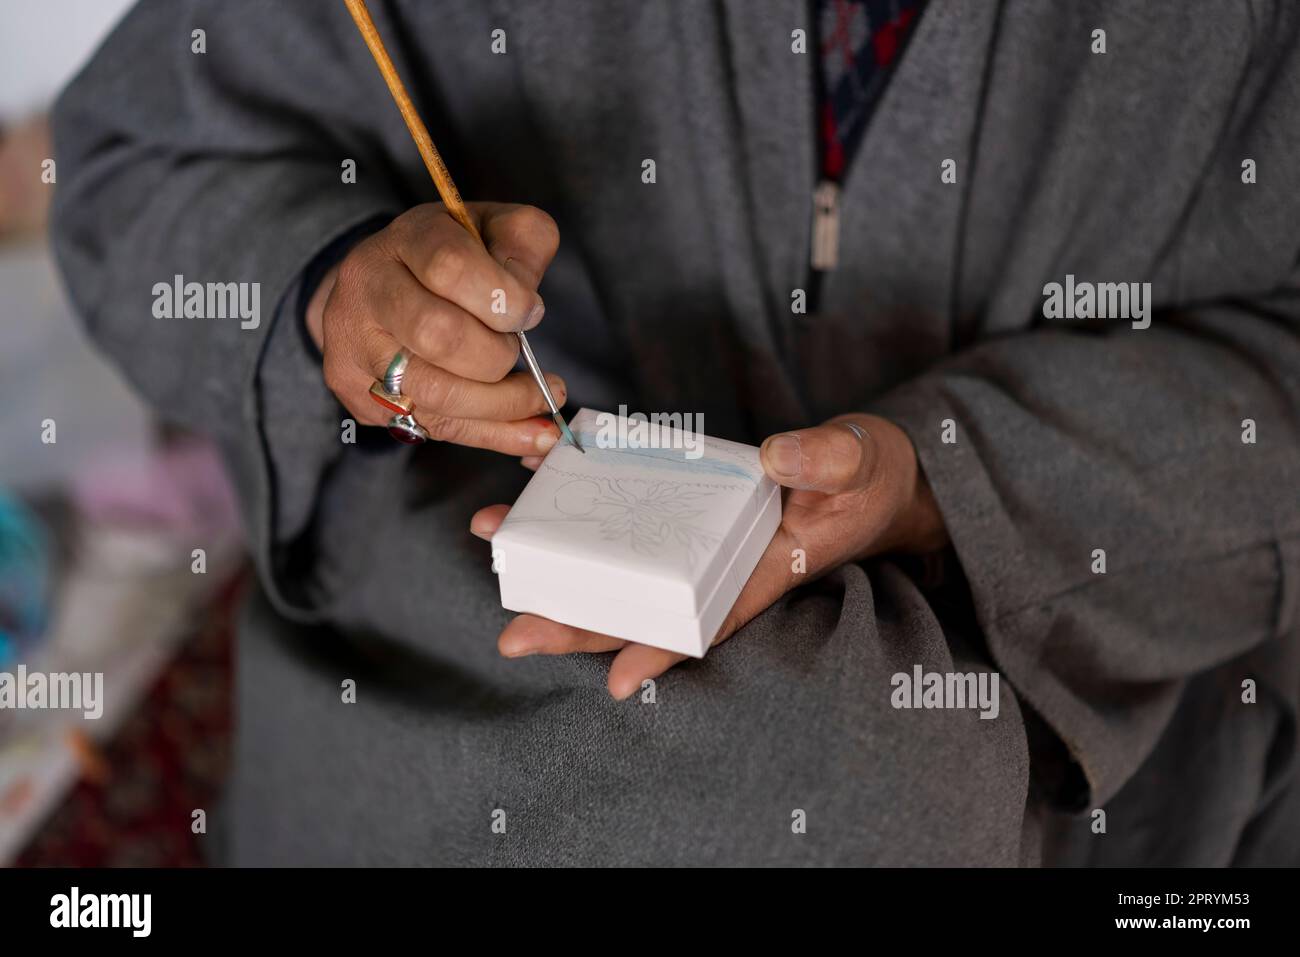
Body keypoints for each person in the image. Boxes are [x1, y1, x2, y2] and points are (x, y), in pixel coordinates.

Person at [50, 0, 1300, 865]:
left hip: (1091, 596)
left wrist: (942, 477)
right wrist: (334, 295)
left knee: (890, 775)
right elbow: (136, 167)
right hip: (488, 533)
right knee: (825, 779)